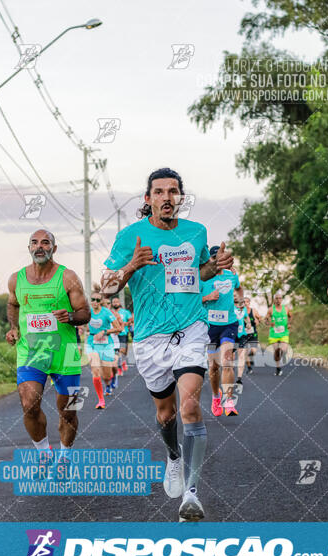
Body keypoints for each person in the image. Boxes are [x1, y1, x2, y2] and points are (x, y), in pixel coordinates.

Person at [101, 167, 234, 521]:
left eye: (173, 192)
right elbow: (107, 287)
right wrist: (131, 265)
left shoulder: (196, 232)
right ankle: (173, 456)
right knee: (166, 413)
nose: (166, 198)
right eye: (159, 192)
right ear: (148, 200)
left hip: (190, 327)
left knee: (190, 405)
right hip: (149, 336)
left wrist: (216, 266)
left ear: (180, 198)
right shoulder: (131, 236)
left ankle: (191, 494)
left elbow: (200, 271)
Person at [5, 230, 90, 471]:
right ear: (29, 247)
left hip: (67, 352)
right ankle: (44, 452)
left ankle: (65, 455)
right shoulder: (16, 279)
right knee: (29, 403)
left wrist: (71, 316)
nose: (39, 246)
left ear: (54, 247)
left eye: (45, 242)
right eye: (34, 242)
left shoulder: (68, 277)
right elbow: (12, 304)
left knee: (70, 410)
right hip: (32, 352)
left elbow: (85, 314)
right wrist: (13, 328)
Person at [201, 246, 243, 417]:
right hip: (210, 327)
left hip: (229, 324)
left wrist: (240, 299)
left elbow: (239, 288)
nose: (218, 262)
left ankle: (229, 400)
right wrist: (207, 298)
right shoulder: (203, 279)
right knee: (213, 367)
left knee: (227, 360)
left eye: (220, 259)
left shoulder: (232, 274)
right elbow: (192, 299)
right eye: (214, 259)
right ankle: (216, 396)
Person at [86, 290, 123, 408]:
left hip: (106, 344)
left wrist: (104, 331)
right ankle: (101, 400)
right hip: (91, 343)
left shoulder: (107, 312)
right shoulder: (87, 312)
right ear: (90, 301)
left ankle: (109, 381)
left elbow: (119, 328)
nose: (95, 302)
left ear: (101, 301)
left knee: (106, 376)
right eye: (93, 300)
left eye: (97, 300)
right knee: (95, 370)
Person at [266, 292, 292, 376]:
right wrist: (269, 323)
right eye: (276, 298)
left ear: (282, 299)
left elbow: (290, 316)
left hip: (284, 333)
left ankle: (284, 354)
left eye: (280, 298)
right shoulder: (271, 309)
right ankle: (278, 368)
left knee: (283, 349)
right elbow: (266, 320)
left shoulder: (286, 308)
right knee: (277, 351)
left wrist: (289, 323)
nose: (278, 300)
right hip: (274, 334)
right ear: (274, 299)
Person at [111, 297, 133, 374]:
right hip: (114, 335)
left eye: (116, 302)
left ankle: (122, 362)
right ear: (112, 304)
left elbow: (131, 320)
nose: (115, 303)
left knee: (123, 351)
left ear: (119, 303)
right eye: (113, 302)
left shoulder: (125, 312)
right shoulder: (110, 312)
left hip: (123, 334)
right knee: (117, 351)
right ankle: (119, 367)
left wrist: (125, 324)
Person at [243, 296, 262, 376]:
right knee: (246, 352)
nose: (245, 303)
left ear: (249, 303)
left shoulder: (253, 311)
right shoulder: (240, 312)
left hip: (253, 334)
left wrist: (258, 321)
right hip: (244, 335)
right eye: (243, 302)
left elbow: (260, 318)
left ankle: (251, 358)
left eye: (246, 302)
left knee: (253, 351)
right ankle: (249, 368)